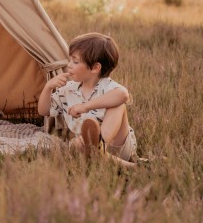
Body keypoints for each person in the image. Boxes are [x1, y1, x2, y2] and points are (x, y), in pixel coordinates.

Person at [38, 32, 137, 165]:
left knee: (118, 104)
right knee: (76, 144)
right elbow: (43, 111)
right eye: (70, 60)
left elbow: (123, 95)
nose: (69, 65)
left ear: (95, 68)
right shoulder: (68, 89)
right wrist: (48, 87)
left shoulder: (106, 87)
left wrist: (85, 106)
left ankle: (100, 144)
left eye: (76, 61)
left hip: (118, 145)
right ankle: (126, 165)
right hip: (86, 147)